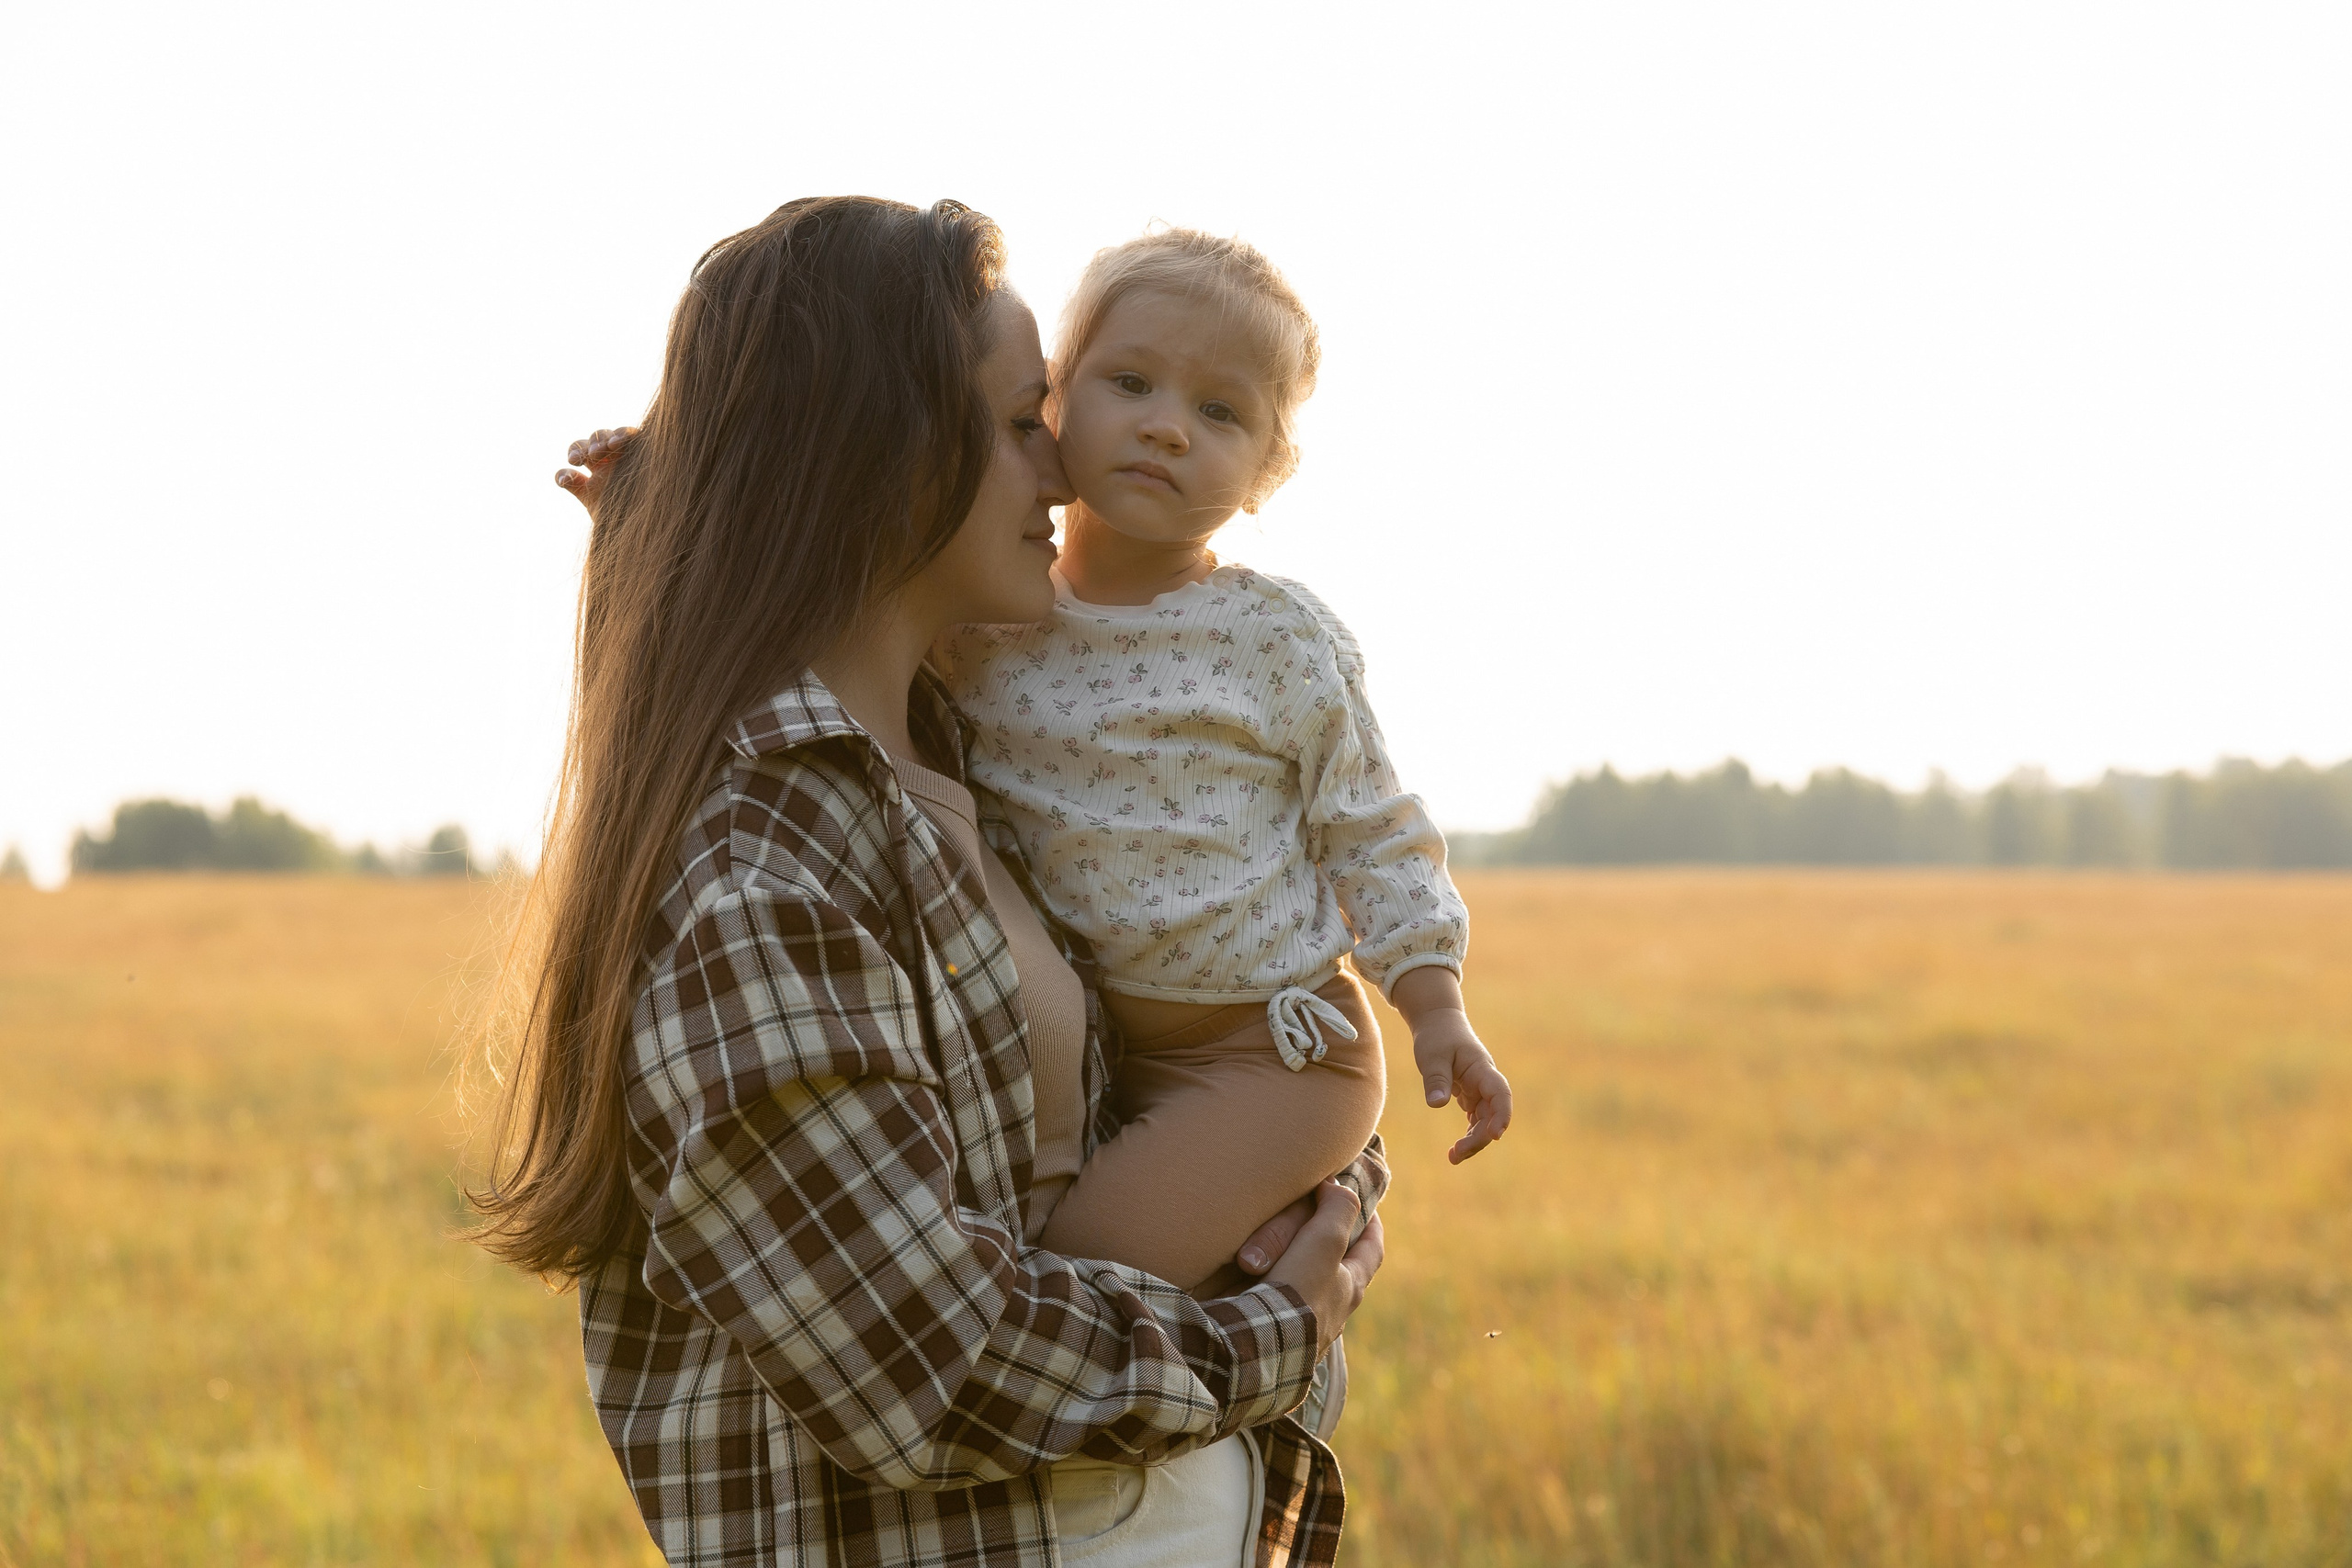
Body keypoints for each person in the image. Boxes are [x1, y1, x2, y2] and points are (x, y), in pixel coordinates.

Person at [478, 196, 1384, 1568]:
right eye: (1026, 422)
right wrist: (1277, 1325)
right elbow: (926, 1366)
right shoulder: (761, 867)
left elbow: (1190, 1060)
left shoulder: (968, 769)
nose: (1067, 470)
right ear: (886, 451)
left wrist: (1326, 1165)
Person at [933, 230, 1511, 1308]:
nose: (1166, 426)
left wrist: (1435, 1007)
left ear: (1265, 473)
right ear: (1052, 400)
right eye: (1130, 382)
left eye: (1219, 412)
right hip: (1100, 1051)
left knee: (1078, 1283)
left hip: (1269, 1058)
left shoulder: (1270, 637)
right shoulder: (984, 622)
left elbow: (1369, 827)